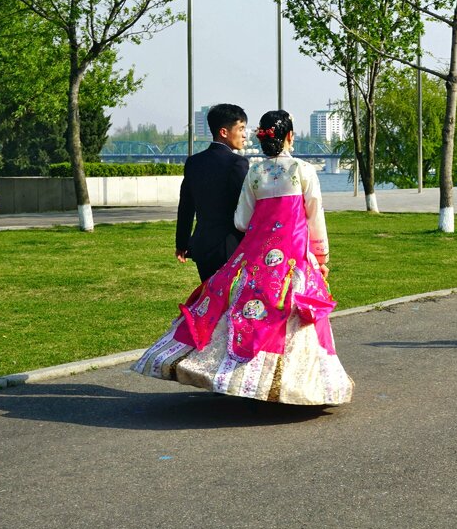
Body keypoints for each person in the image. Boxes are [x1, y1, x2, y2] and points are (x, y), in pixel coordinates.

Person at [135, 110, 354, 405]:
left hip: (257, 255)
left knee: (238, 307)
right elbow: (316, 216)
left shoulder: (255, 172)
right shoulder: (303, 170)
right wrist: (321, 256)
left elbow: (241, 220)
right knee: (294, 311)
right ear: (290, 136)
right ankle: (298, 384)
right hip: (293, 256)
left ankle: (239, 375)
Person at [176, 103, 250, 282]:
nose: (244, 135)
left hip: (202, 246)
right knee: (232, 297)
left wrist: (182, 243)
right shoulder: (237, 163)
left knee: (209, 295)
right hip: (231, 247)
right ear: (224, 132)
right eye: (241, 129)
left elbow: (186, 206)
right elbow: (246, 206)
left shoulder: (194, 162)